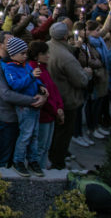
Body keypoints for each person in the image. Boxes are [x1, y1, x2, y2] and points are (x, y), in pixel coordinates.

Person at [46, 22, 91, 169]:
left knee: (55, 132)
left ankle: (52, 155)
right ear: (66, 35)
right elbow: (81, 80)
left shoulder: (48, 47)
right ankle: (58, 161)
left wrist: (75, 48)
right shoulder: (66, 58)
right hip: (66, 99)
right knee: (63, 133)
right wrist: (87, 74)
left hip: (52, 98)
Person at [1, 37, 44, 177]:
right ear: (13, 53)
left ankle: (33, 160)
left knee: (34, 135)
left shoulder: (25, 64)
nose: (25, 56)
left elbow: (35, 79)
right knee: (26, 134)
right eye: (23, 53)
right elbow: (15, 85)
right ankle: (18, 160)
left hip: (34, 103)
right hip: (24, 106)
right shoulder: (10, 67)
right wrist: (31, 77)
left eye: (26, 53)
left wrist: (41, 86)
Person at [28, 41, 64, 170]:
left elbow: (53, 89)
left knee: (46, 147)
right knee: (40, 147)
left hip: (51, 114)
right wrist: (56, 110)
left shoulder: (44, 68)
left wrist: (60, 107)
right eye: (45, 53)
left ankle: (42, 170)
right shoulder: (35, 70)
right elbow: (44, 96)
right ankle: (37, 172)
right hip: (44, 115)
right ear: (37, 55)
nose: (48, 55)